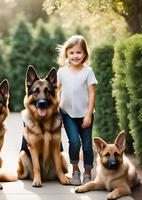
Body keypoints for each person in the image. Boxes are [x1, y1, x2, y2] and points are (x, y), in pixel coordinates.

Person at [56, 35, 98, 186]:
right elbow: (57, 92)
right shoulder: (61, 72)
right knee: (74, 142)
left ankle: (87, 172)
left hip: (85, 115)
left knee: (86, 145)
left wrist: (88, 114)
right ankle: (75, 170)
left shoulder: (88, 71)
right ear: (66, 53)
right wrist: (56, 114)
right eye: (72, 52)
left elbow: (92, 93)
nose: (75, 56)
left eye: (78, 52)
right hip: (67, 114)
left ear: (85, 54)